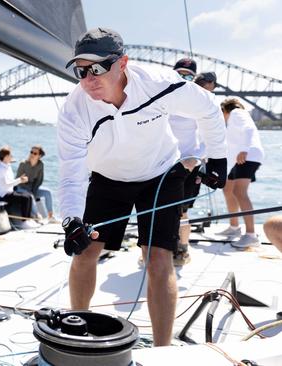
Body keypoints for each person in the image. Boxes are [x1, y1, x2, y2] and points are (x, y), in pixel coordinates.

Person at [57, 28, 227, 347]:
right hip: (107, 178)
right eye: (81, 71)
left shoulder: (158, 82)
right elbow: (71, 173)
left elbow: (208, 108)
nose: (89, 78)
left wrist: (218, 158)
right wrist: (70, 219)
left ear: (123, 63)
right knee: (84, 253)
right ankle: (76, 333)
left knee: (159, 259)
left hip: (161, 174)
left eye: (97, 68)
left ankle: (162, 350)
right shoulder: (74, 109)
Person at [169, 58, 205, 266]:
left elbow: (211, 138)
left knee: (182, 211)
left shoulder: (201, 102)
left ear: (194, 78)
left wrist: (196, 158)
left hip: (189, 167)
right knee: (157, 208)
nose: (183, 78)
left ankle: (182, 249)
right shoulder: (161, 98)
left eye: (188, 75)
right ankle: (155, 246)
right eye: (179, 74)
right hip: (163, 165)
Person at [217, 98, 265, 249]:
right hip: (239, 159)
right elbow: (231, 146)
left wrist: (245, 148)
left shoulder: (237, 112)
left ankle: (251, 235)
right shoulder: (232, 120)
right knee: (228, 189)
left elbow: (249, 129)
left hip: (249, 155)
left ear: (225, 109)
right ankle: (234, 227)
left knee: (239, 192)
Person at [0, 146, 38, 230]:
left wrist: (20, 179)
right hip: (2, 195)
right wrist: (20, 180)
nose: (12, 157)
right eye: (10, 155)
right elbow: (6, 184)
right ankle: (24, 222)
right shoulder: (0, 169)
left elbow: (10, 181)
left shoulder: (7, 166)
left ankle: (28, 220)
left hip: (9, 192)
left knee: (28, 196)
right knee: (25, 199)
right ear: (6, 157)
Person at [15, 145, 57, 222]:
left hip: (33, 188)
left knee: (47, 193)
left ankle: (50, 216)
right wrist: (30, 192)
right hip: (21, 188)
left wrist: (33, 191)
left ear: (39, 156)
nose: (32, 154)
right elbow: (18, 181)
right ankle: (37, 217)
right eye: (31, 152)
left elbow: (39, 181)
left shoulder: (40, 165)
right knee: (30, 196)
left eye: (35, 153)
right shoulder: (23, 164)